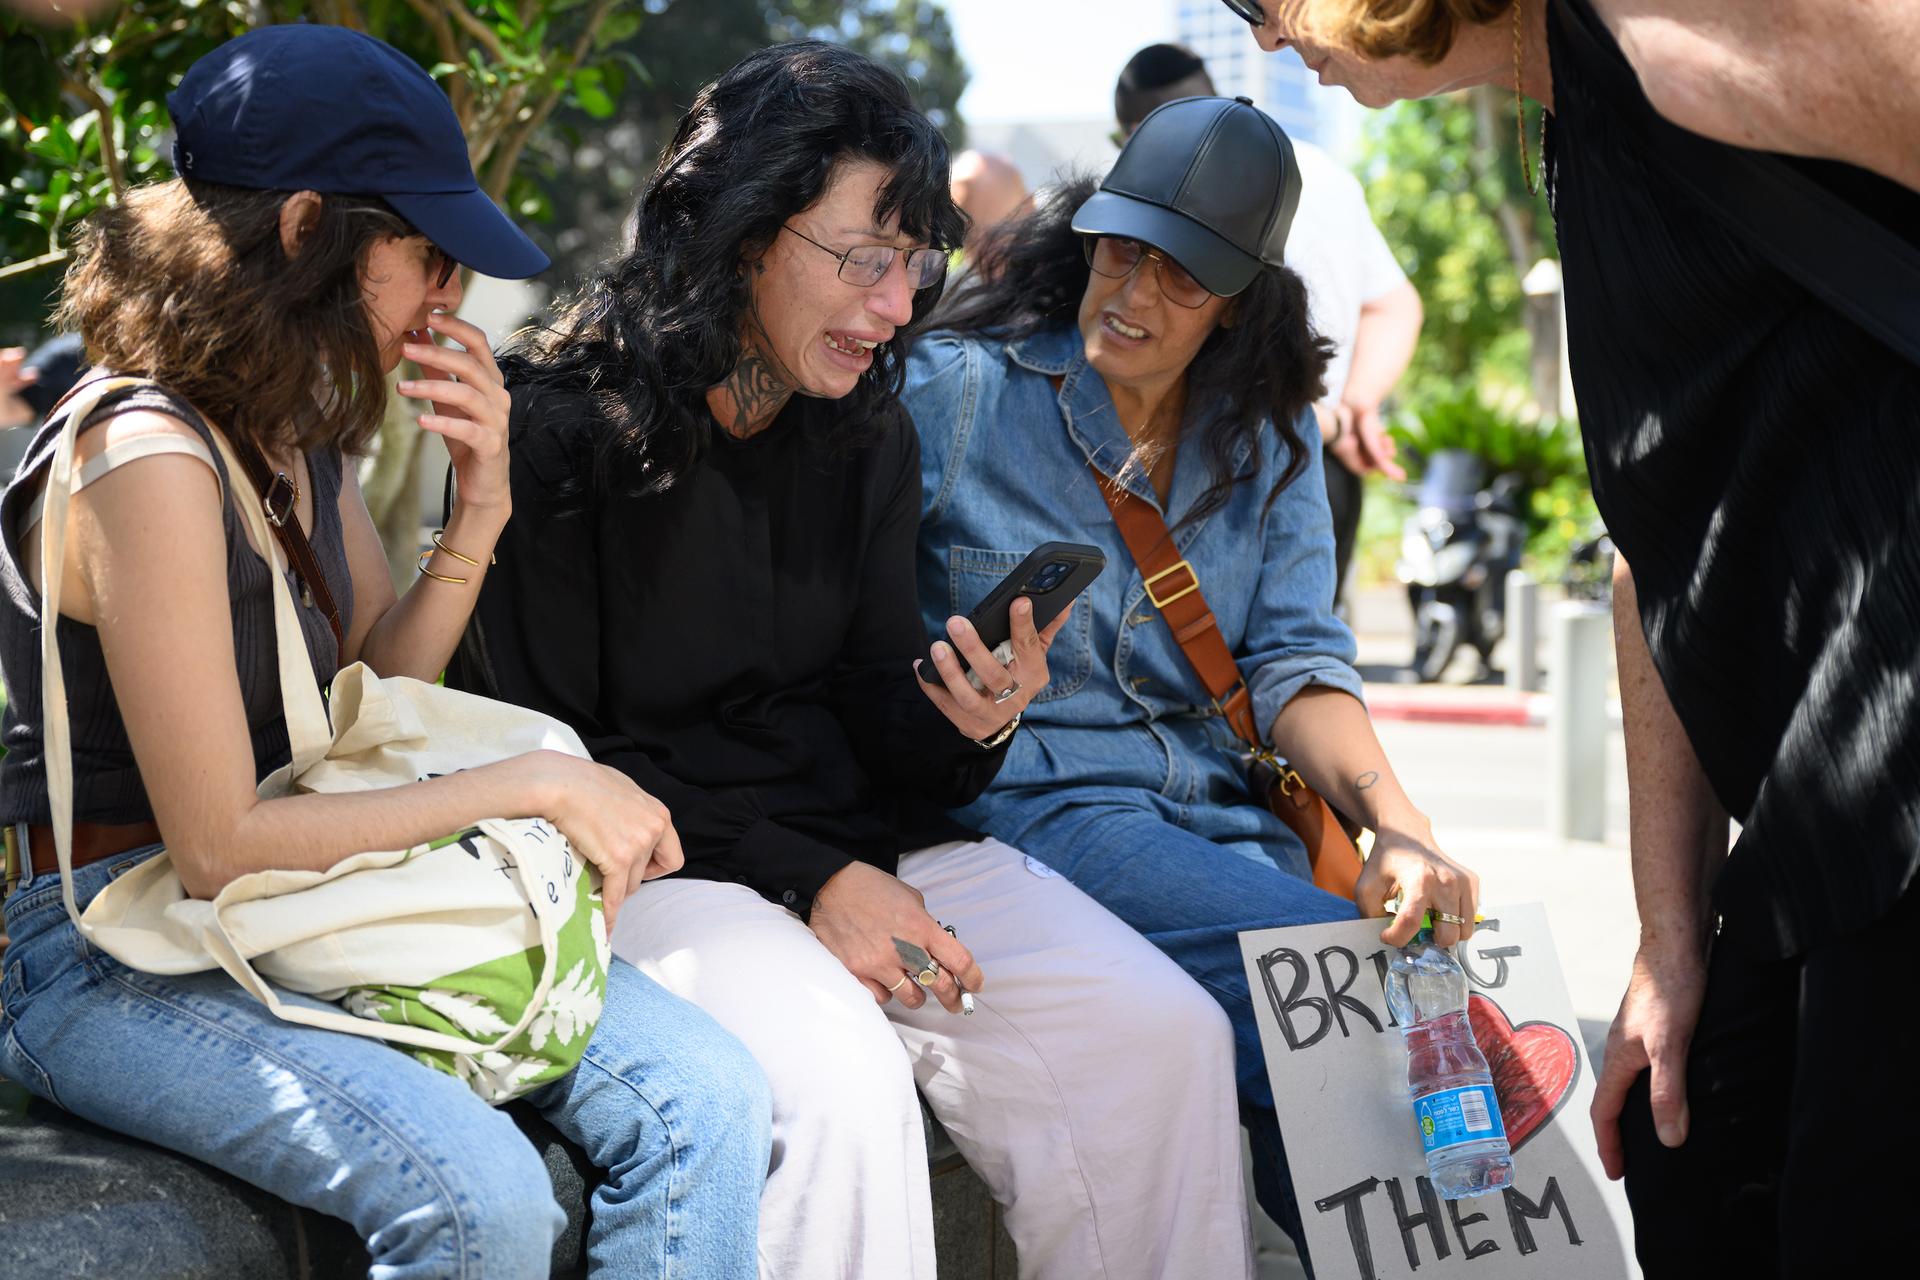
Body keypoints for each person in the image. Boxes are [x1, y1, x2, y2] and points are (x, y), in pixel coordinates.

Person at [452, 41, 1256, 1280]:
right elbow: (556, 756)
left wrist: (967, 715)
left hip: (855, 848)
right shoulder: (557, 428)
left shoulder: (862, 428)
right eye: (864, 261)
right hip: (648, 865)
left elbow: (868, 704)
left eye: (915, 268)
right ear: (741, 233)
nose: (896, 309)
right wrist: (810, 873)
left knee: (1163, 1035)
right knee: (840, 1083)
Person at [0, 26, 769, 1277]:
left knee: (711, 1102)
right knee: (480, 1198)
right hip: (109, 941)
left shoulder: (296, 431)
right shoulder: (140, 453)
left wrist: (481, 508)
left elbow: (373, 696)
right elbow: (215, 843)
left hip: (302, 903)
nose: (449, 298)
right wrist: (540, 781)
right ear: (307, 230)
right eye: (424, 254)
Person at [1232, 1, 1920, 1274]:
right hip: (1814, 795)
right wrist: (1668, 936)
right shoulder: (1575, 126)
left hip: (1899, 741)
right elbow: (1651, 550)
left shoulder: (1676, 21)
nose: (1266, 34)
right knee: (1690, 1152)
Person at [903, 94, 1481, 1263]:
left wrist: (1398, 826)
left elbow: (1296, 659)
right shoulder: (957, 389)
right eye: (1120, 252)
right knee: (1350, 990)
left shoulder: (1268, 435)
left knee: (1411, 1010)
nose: (1130, 295)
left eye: (1180, 277)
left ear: (1239, 297)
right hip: (1044, 807)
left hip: (1225, 820)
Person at [1115, 42, 1419, 606]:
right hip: (1323, 454)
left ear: (1140, 131)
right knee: (1303, 652)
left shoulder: (1159, 191)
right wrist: (1353, 408)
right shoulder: (1321, 171)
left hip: (1213, 456)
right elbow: (1397, 303)